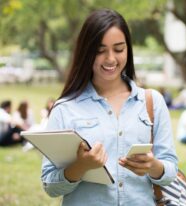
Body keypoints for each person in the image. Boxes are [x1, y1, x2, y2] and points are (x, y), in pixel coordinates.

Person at [41, 9, 178, 206]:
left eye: (119, 49)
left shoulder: (151, 102)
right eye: (100, 50)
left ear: (128, 50)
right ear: (86, 51)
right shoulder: (65, 109)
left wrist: (153, 166)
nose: (111, 59)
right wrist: (81, 167)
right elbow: (50, 186)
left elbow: (170, 171)